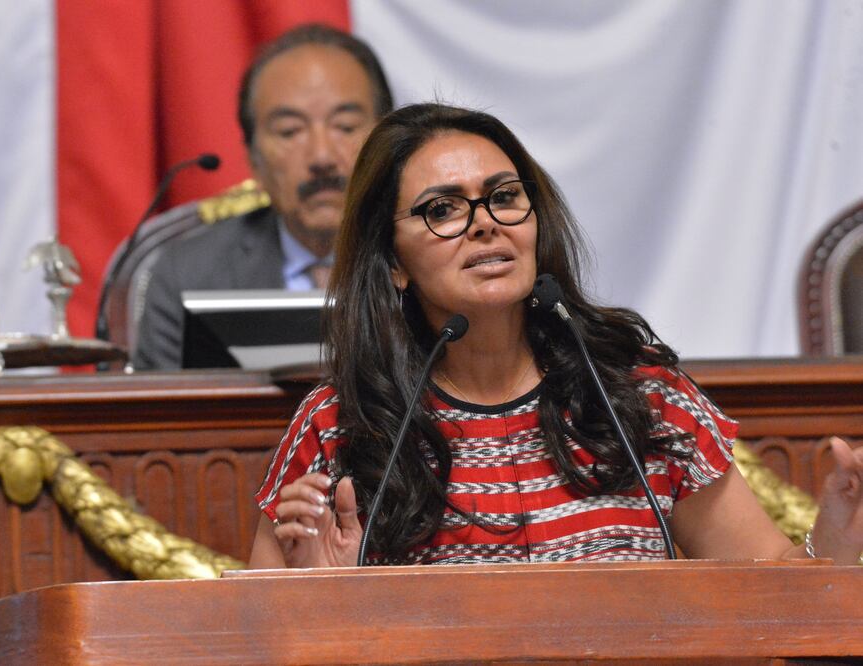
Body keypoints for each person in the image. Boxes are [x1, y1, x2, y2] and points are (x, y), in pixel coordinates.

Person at [248, 103, 863, 568]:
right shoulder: (340, 426)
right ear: (393, 264)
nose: (484, 224)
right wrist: (316, 597)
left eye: (504, 197)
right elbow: (260, 639)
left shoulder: (638, 394)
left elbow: (777, 602)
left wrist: (838, 536)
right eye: (442, 210)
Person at [133, 24, 393, 370]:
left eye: (345, 126)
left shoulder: (438, 259)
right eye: (290, 131)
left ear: (388, 142)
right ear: (253, 159)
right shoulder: (188, 277)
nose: (322, 157)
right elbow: (163, 420)